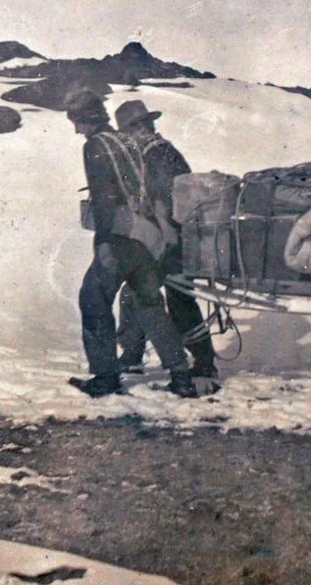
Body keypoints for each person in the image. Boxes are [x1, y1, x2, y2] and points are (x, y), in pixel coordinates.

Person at [64, 90, 198, 399]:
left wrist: (103, 241)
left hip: (119, 236)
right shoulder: (128, 142)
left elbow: (104, 198)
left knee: (93, 300)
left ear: (87, 118)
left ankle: (106, 377)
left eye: (77, 122)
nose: (77, 129)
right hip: (147, 237)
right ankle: (180, 375)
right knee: (148, 304)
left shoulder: (95, 146)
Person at [113, 99, 219, 388]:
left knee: (163, 295)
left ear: (140, 128)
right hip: (179, 235)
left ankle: (197, 363)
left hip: (173, 238)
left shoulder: (156, 154)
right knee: (172, 297)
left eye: (130, 132)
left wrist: (168, 239)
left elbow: (164, 201)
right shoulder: (160, 151)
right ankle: (199, 362)